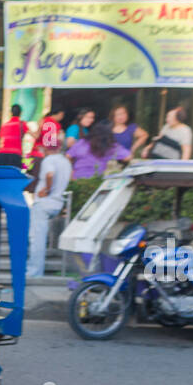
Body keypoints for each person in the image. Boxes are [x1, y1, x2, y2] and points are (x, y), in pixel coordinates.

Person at [28, 139, 73, 279]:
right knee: (40, 237)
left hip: (45, 202)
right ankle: (35, 271)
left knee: (37, 238)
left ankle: (34, 272)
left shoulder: (48, 160)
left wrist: (46, 190)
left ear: (45, 149)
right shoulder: (66, 162)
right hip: (58, 203)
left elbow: (50, 174)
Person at [67, 120, 131, 179]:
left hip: (77, 178)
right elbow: (128, 157)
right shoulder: (111, 146)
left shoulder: (82, 142)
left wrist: (72, 170)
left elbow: (68, 156)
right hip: (97, 179)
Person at [29, 108, 65, 176]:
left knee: (28, 175)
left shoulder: (42, 120)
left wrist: (28, 131)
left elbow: (37, 135)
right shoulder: (57, 125)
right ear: (60, 114)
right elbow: (54, 143)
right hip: (44, 156)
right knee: (41, 176)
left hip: (33, 153)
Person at [0, 104, 30, 169]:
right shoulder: (22, 124)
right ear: (21, 113)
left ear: (11, 113)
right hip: (15, 154)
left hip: (2, 154)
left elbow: (1, 140)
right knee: (15, 175)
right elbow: (34, 136)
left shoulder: (4, 125)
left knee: (3, 175)